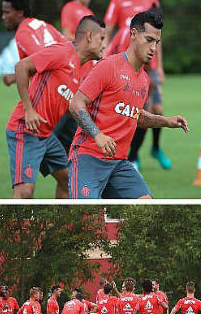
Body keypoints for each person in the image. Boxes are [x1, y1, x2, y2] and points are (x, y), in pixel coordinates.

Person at [69, 10, 189, 199]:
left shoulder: (144, 80)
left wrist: (167, 121)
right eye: (148, 39)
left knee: (146, 211)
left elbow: (135, 115)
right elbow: (76, 104)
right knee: (87, 222)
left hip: (119, 164)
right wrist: (98, 135)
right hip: (88, 157)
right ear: (133, 34)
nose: (153, 48)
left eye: (156, 42)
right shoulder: (108, 66)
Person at [7, 15, 106, 198]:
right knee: (24, 192)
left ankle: (64, 225)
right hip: (26, 130)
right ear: (90, 36)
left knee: (68, 182)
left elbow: (69, 107)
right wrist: (29, 110)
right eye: (102, 38)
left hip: (46, 137)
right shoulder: (61, 52)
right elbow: (21, 66)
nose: (104, 45)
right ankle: (14, 227)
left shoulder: (78, 69)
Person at [104, 0, 170, 170]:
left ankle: (152, 150)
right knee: (136, 112)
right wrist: (102, 57)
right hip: (129, 66)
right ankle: (130, 156)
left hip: (150, 66)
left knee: (156, 109)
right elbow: (109, 29)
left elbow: (158, 37)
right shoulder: (118, 0)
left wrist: (159, 67)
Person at [1, 0, 68, 87]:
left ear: (20, 12)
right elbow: (68, 47)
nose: (3, 17)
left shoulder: (23, 33)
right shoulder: (43, 24)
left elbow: (45, 61)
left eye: (7, 13)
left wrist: (15, 76)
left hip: (54, 90)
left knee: (26, 102)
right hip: (67, 82)